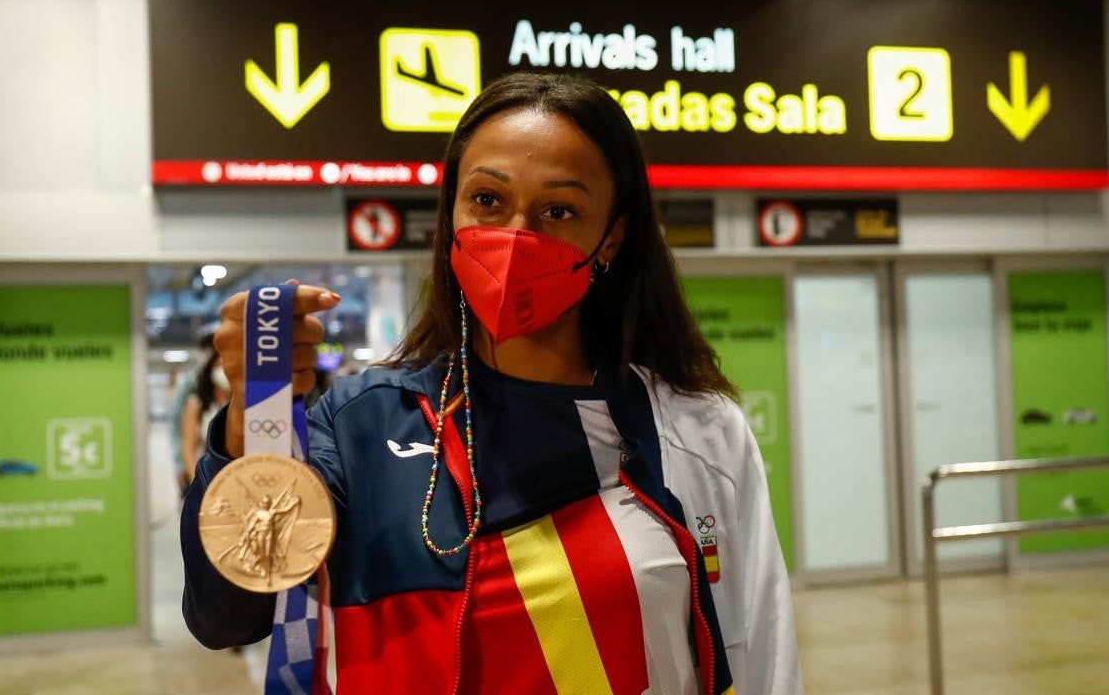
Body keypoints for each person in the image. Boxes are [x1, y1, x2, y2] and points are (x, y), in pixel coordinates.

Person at [181, 72, 801, 694]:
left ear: (611, 234)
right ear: (450, 212)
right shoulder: (359, 424)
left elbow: (760, 652)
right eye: (486, 200)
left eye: (559, 210)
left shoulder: (694, 429)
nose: (516, 235)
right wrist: (254, 411)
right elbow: (229, 612)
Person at [178, 349, 231, 495]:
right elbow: (188, 447)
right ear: (210, 370)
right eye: (218, 365)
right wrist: (197, 481)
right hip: (207, 478)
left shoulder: (244, 404)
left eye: (227, 365)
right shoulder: (197, 404)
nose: (223, 371)